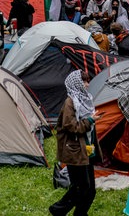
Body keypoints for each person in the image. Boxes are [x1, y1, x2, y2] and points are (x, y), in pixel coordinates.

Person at [49, 70, 100, 216]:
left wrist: (92, 119)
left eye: (88, 81)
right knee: (81, 187)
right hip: (74, 150)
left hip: (86, 149)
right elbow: (71, 126)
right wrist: (90, 120)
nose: (87, 84)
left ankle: (78, 213)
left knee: (89, 190)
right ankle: (59, 210)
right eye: (84, 81)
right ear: (76, 83)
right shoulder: (70, 102)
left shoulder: (86, 99)